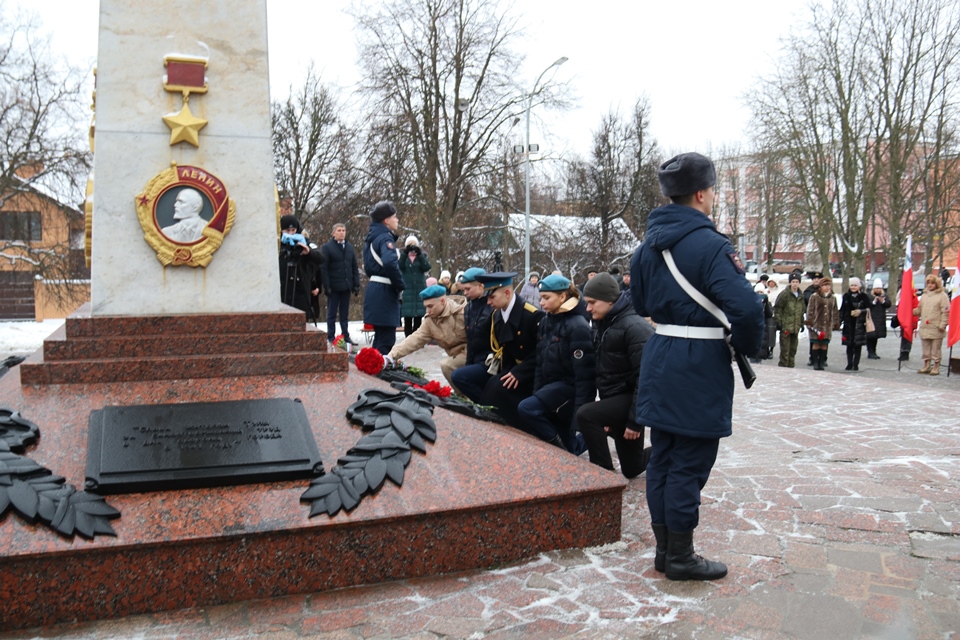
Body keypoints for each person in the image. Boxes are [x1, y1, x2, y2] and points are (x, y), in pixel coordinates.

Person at [630, 152, 763, 581]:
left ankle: (666, 551)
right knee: (689, 461)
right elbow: (746, 309)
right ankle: (682, 558)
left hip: (661, 355)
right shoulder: (711, 245)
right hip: (698, 363)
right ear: (702, 193)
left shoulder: (645, 247)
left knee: (664, 459)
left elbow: (645, 304)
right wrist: (742, 347)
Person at [577, 272, 655, 477]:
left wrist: (635, 420)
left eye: (593, 302)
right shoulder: (605, 322)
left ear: (610, 300)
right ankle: (669, 450)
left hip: (630, 401)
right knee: (633, 468)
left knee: (586, 415)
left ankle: (603, 477)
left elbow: (647, 377)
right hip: (617, 400)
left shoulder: (635, 327)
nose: (588, 308)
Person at [450, 272, 543, 428]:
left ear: (507, 293)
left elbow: (541, 352)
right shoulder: (497, 316)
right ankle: (495, 422)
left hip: (529, 373)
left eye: (492, 297)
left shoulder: (532, 315)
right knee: (486, 384)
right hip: (509, 369)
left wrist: (519, 372)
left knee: (496, 389)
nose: (488, 302)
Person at [517, 274, 595, 452]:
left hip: (567, 389)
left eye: (546, 298)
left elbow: (585, 375)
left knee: (526, 408)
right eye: (540, 297)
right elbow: (540, 361)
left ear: (562, 297)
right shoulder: (546, 321)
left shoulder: (578, 326)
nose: (541, 303)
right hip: (550, 389)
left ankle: (586, 435)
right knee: (571, 450)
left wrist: (579, 417)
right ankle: (572, 444)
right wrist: (537, 392)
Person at [387, 285, 467, 388]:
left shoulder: (462, 313)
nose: (427, 311)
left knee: (447, 366)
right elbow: (414, 339)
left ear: (443, 301)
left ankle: (466, 398)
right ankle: (464, 398)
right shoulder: (430, 321)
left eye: (430, 306)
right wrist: (391, 356)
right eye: (426, 307)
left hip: (473, 354)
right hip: (456, 356)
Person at [362, 201, 404, 355]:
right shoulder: (385, 239)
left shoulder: (372, 238)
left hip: (375, 289)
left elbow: (368, 267)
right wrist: (400, 284)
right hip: (385, 291)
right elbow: (390, 263)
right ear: (386, 220)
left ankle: (373, 370)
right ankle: (379, 376)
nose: (397, 220)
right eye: (394, 217)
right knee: (386, 341)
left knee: (379, 338)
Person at [278, 214, 324, 323]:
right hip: (282, 290)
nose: (291, 234)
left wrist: (308, 252)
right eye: (287, 231)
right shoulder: (277, 244)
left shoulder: (305, 241)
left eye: (293, 230)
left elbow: (321, 257)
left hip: (301, 290)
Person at [320, 223, 360, 344]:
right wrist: (326, 285)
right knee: (332, 313)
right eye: (339, 230)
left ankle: (345, 335)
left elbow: (354, 266)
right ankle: (331, 336)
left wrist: (356, 284)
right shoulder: (327, 248)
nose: (342, 232)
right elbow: (324, 268)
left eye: (343, 230)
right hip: (334, 286)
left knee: (344, 313)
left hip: (346, 285)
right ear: (333, 233)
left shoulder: (349, 247)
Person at [914, 273, 950, 375]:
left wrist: (943, 325)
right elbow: (919, 309)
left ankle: (936, 366)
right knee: (926, 349)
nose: (930, 285)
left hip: (936, 327)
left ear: (937, 284)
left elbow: (945, 312)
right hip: (925, 326)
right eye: (928, 283)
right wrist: (911, 311)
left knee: (936, 349)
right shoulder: (924, 296)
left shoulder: (943, 296)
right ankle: (926, 365)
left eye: (932, 283)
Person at [457, 267, 493, 367]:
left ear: (481, 286)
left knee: (459, 376)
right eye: (463, 289)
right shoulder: (468, 307)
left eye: (468, 289)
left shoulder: (492, 306)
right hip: (475, 358)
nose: (465, 293)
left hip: (489, 359)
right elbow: (470, 340)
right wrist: (468, 363)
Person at [399, 235, 432, 337]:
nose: (412, 247)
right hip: (407, 289)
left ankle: (417, 338)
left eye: (414, 244)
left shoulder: (422, 257)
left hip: (419, 289)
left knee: (418, 316)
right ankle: (408, 338)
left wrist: (420, 254)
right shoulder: (402, 257)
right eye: (410, 245)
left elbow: (427, 267)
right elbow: (399, 266)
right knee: (407, 317)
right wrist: (405, 253)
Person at [806, 277, 840, 371]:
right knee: (816, 343)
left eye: (828, 285)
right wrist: (809, 321)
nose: (827, 287)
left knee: (824, 344)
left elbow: (835, 311)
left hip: (827, 325)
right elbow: (810, 310)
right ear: (820, 286)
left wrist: (836, 323)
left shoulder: (832, 298)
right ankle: (815, 362)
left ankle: (822, 361)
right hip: (816, 324)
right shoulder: (814, 296)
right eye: (825, 285)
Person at [774, 272, 805, 367]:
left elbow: (801, 311)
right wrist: (778, 322)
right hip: (786, 326)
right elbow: (778, 308)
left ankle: (791, 368)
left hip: (795, 327)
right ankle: (783, 369)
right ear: (790, 282)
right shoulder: (785, 294)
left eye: (797, 282)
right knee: (785, 351)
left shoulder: (800, 296)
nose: (795, 284)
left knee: (793, 350)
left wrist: (802, 323)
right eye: (793, 281)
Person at [840, 277, 870, 371]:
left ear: (859, 286)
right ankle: (849, 363)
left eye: (855, 285)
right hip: (849, 323)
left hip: (860, 324)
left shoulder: (864, 296)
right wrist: (839, 321)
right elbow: (842, 309)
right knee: (849, 345)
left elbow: (869, 309)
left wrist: (861, 311)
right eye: (852, 285)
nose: (853, 287)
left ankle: (856, 364)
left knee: (857, 345)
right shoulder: (846, 296)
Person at [865, 278, 891, 359]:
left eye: (879, 288)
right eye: (876, 288)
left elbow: (888, 304)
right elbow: (867, 305)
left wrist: (883, 301)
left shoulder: (884, 296)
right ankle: (870, 351)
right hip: (871, 319)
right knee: (870, 335)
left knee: (876, 336)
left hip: (880, 319)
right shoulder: (869, 296)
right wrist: (874, 302)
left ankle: (874, 351)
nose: (878, 290)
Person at [803, 270, 824, 366]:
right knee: (813, 338)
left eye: (818, 279)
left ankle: (823, 358)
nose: (816, 280)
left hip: (823, 317)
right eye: (815, 279)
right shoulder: (808, 291)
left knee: (824, 338)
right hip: (813, 317)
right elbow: (805, 303)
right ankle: (812, 357)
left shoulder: (825, 290)